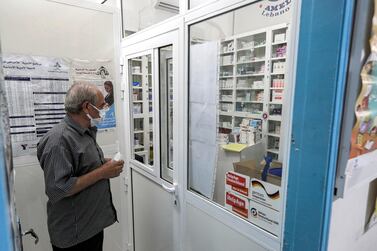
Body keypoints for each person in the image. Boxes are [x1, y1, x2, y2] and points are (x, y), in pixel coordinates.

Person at [37, 82, 124, 251]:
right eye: (101, 105)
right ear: (86, 107)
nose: (105, 108)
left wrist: (102, 163)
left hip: (92, 226)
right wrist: (102, 172)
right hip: (74, 234)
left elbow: (81, 165)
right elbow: (59, 189)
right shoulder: (59, 140)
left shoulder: (85, 132)